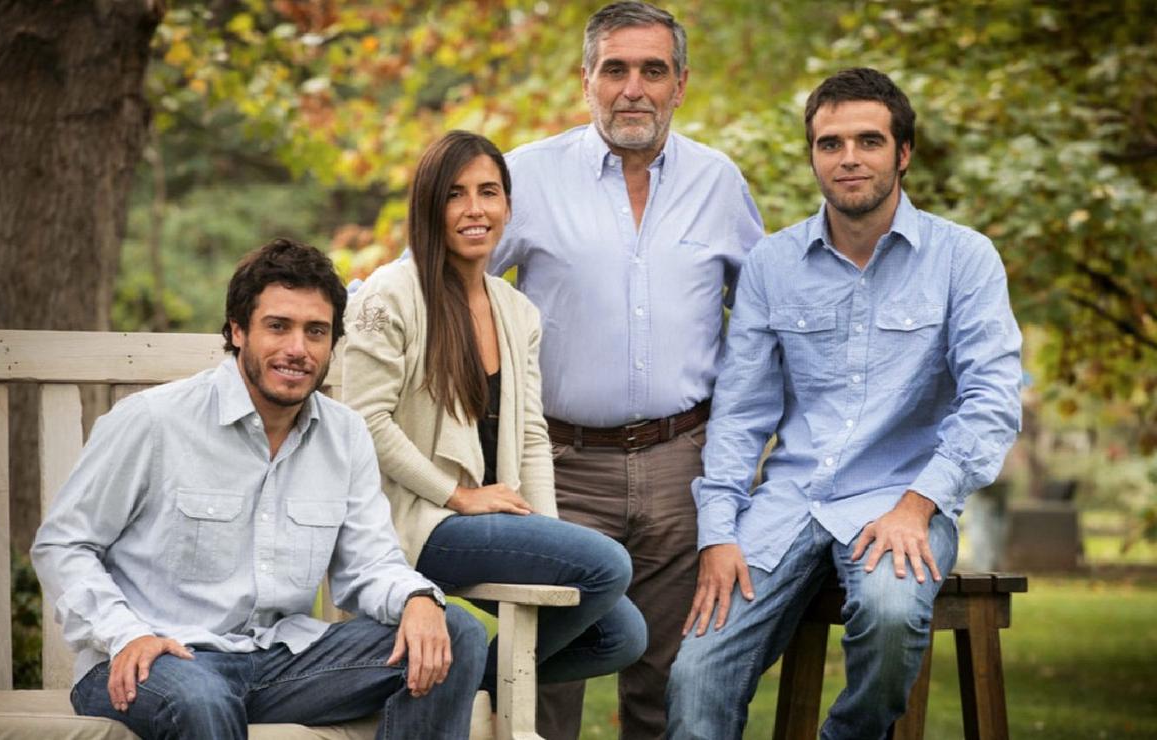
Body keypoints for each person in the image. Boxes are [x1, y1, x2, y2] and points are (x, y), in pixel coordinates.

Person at [666, 67, 1023, 739]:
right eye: (830, 144)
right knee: (695, 677)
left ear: (903, 153)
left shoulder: (963, 259)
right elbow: (741, 413)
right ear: (813, 156)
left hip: (901, 499)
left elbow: (992, 401)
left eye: (868, 140)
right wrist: (718, 530)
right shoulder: (772, 265)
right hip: (788, 503)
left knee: (891, 614)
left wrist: (919, 506)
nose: (849, 158)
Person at [31, 239, 486, 740]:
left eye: (316, 332)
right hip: (155, 658)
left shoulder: (345, 435)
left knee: (455, 633)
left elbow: (368, 565)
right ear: (237, 331)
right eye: (278, 326)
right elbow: (64, 544)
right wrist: (126, 634)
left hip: (278, 663)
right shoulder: (153, 422)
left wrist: (417, 599)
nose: (298, 349)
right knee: (201, 697)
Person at [488, 2, 764, 736]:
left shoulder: (719, 182)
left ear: (681, 83)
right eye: (615, 69)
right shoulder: (526, 176)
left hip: (684, 469)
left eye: (653, 70)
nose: (632, 88)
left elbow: (769, 319)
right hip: (559, 467)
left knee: (669, 684)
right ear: (586, 80)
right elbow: (438, 274)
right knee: (545, 682)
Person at [343, 130, 648, 709]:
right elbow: (365, 418)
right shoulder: (390, 295)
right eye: (456, 194)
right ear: (430, 207)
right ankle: (460, 695)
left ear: (508, 206)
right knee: (609, 562)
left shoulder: (516, 311)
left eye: (489, 192)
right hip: (413, 521)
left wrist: (550, 536)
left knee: (620, 632)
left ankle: (457, 692)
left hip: (486, 520)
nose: (475, 209)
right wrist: (456, 494)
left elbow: (532, 433)